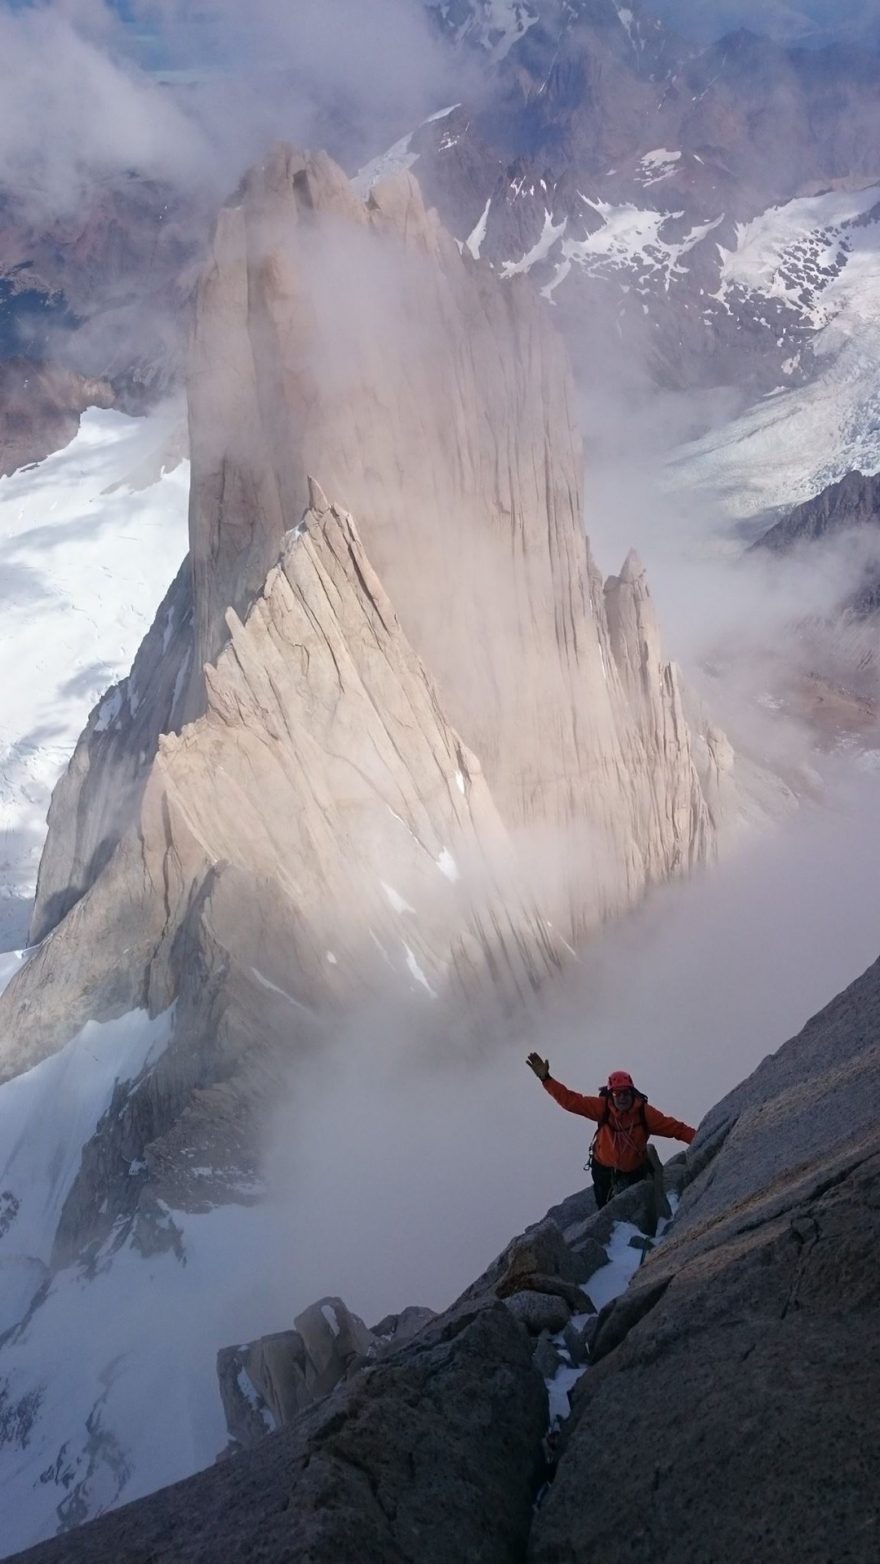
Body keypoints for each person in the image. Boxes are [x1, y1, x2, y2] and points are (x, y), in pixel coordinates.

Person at [526, 1055, 695, 1209]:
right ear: (610, 1094)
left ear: (632, 1093)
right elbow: (570, 1101)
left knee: (639, 1210)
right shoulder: (602, 1107)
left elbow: (676, 1129)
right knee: (607, 1211)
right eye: (617, 1093)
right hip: (604, 1171)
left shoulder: (645, 1113)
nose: (622, 1097)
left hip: (635, 1170)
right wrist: (546, 1079)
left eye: (626, 1093)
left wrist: (700, 1139)